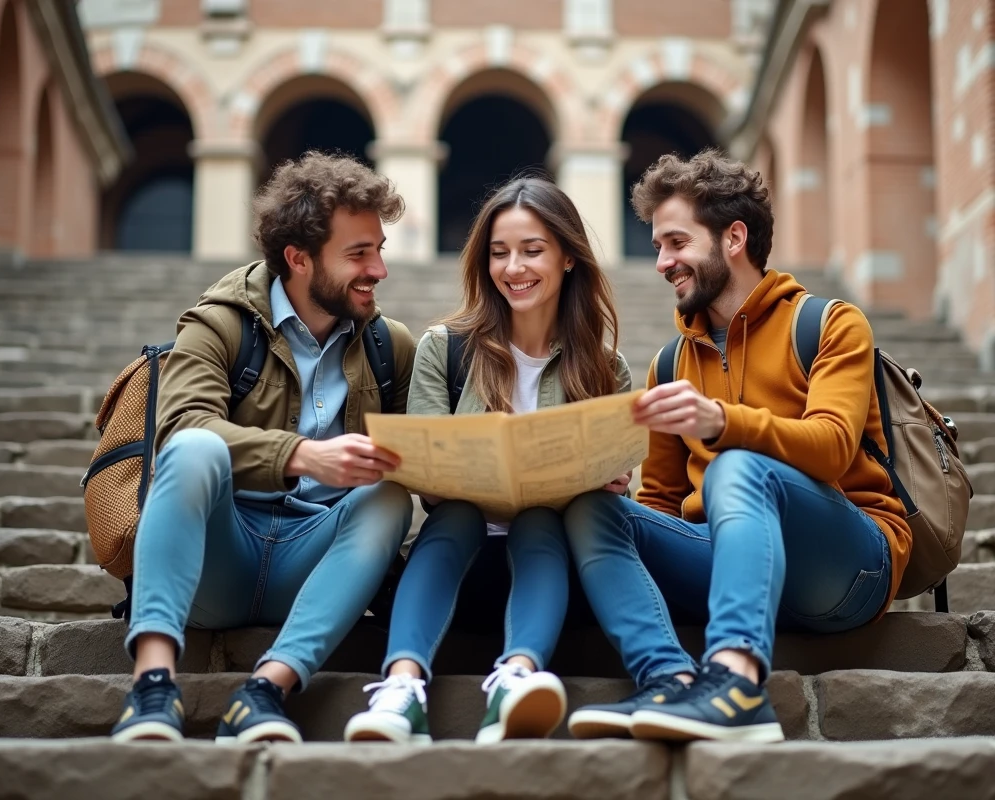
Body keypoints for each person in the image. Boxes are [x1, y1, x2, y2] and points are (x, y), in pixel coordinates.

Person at [563, 150, 912, 743]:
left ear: (734, 238)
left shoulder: (830, 323)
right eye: (657, 247)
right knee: (590, 508)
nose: (662, 262)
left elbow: (830, 449)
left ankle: (736, 685)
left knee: (738, 467)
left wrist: (724, 422)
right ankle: (670, 682)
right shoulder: (670, 364)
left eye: (676, 242)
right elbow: (666, 503)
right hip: (726, 561)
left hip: (847, 565)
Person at [110, 152, 416, 744]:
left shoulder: (390, 346)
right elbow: (179, 432)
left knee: (390, 496)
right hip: (217, 558)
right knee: (194, 449)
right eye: (359, 254)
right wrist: (303, 456)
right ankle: (151, 688)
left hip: (316, 564)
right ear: (299, 259)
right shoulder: (221, 323)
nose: (379, 269)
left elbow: (425, 456)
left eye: (379, 249)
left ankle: (266, 690)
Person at [343, 177, 632, 745]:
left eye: (531, 250)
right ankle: (402, 691)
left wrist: (608, 478)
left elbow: (619, 484)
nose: (513, 267)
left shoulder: (605, 368)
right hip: (462, 565)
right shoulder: (444, 348)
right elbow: (427, 476)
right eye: (499, 253)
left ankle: (518, 680)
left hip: (555, 573)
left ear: (568, 258)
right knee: (454, 516)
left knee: (540, 518)